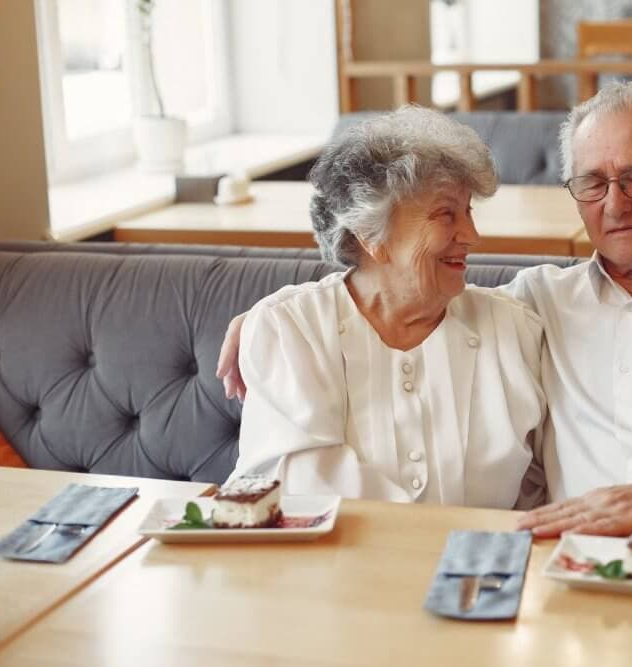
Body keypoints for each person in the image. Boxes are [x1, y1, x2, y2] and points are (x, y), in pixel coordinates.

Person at [218, 83, 632, 536]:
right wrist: (274, 316)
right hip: (572, 577)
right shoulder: (537, 305)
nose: (614, 203)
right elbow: (393, 296)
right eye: (592, 183)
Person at [226, 106, 546, 509]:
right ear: (370, 234)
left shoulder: (514, 330)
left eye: (468, 212)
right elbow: (298, 489)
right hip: (332, 569)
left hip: (478, 569)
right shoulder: (293, 332)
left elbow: (540, 496)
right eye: (446, 214)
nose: (471, 234)